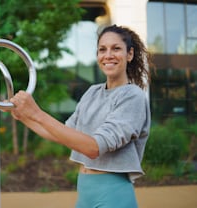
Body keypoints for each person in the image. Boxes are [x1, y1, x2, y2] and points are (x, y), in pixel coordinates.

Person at [9, 24, 152, 208]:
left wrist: (36, 113)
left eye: (116, 48)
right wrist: (23, 115)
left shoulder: (133, 96)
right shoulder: (92, 92)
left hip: (113, 194)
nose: (108, 55)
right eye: (102, 49)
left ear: (129, 54)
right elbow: (62, 134)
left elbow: (93, 148)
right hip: (85, 191)